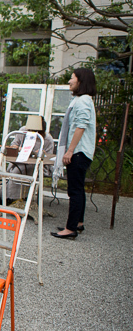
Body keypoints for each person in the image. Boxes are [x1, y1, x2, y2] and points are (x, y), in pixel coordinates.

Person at [51, 68, 97, 240]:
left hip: (78, 152)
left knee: (74, 191)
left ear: (80, 81)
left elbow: (81, 127)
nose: (69, 81)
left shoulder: (83, 101)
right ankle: (78, 222)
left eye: (72, 78)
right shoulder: (82, 100)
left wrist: (70, 150)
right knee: (78, 189)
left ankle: (70, 229)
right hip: (81, 152)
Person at [5, 115, 54, 205]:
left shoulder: (47, 139)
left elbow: (49, 156)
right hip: (21, 161)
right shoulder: (23, 131)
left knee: (25, 170)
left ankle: (25, 197)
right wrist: (20, 148)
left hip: (37, 165)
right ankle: (11, 198)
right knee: (17, 170)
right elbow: (13, 145)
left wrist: (41, 153)